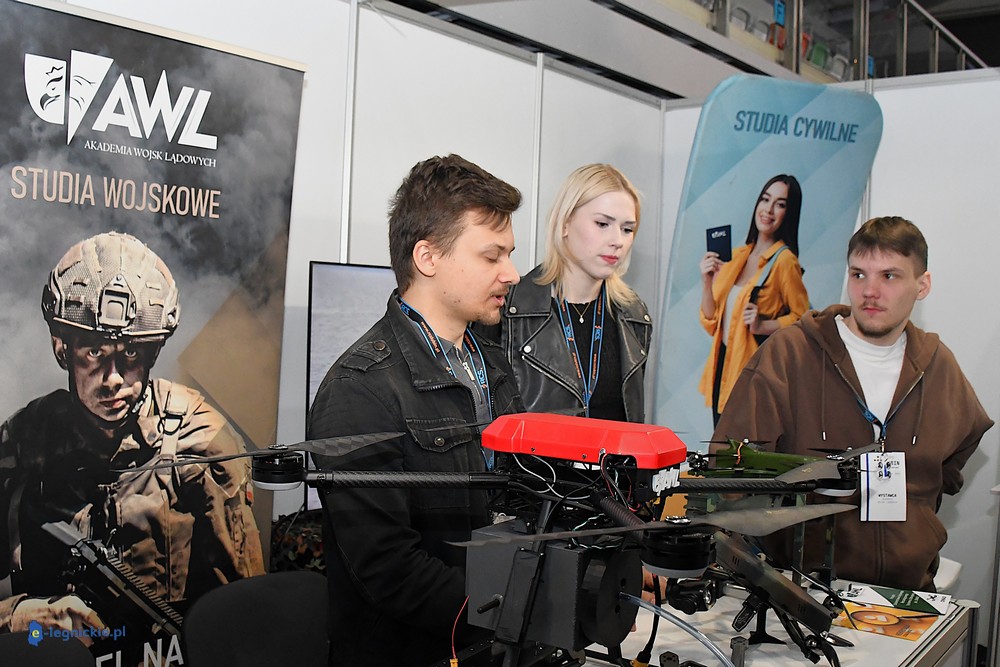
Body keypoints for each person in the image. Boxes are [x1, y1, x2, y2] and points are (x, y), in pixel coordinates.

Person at [307, 154, 525, 666]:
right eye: (491, 256)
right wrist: (520, 605)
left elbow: (522, 496)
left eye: (509, 255)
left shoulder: (493, 365)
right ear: (428, 257)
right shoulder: (358, 390)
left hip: (497, 643)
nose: (512, 273)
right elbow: (388, 568)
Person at [0, 232, 264, 643]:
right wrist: (21, 617)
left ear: (152, 353)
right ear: (62, 349)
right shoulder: (24, 441)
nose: (113, 379)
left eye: (130, 354)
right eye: (94, 353)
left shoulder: (201, 444)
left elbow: (245, 614)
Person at [714, 216, 993, 591]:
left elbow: (956, 455)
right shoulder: (791, 354)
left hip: (906, 589)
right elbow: (730, 463)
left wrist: (916, 517)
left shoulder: (938, 366)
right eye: (858, 274)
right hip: (805, 590)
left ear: (922, 285)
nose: (870, 291)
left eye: (889, 276)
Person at [494, 163, 651, 422]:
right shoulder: (509, 307)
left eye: (627, 229)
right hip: (536, 451)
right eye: (602, 223)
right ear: (565, 223)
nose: (618, 241)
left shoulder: (634, 315)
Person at [698, 174, 810, 425]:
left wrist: (763, 325)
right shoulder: (737, 256)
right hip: (723, 366)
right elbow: (711, 322)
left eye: (780, 204)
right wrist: (707, 282)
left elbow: (803, 320)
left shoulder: (785, 262)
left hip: (755, 372)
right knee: (720, 444)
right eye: (765, 199)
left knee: (743, 445)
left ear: (789, 213)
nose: (768, 210)